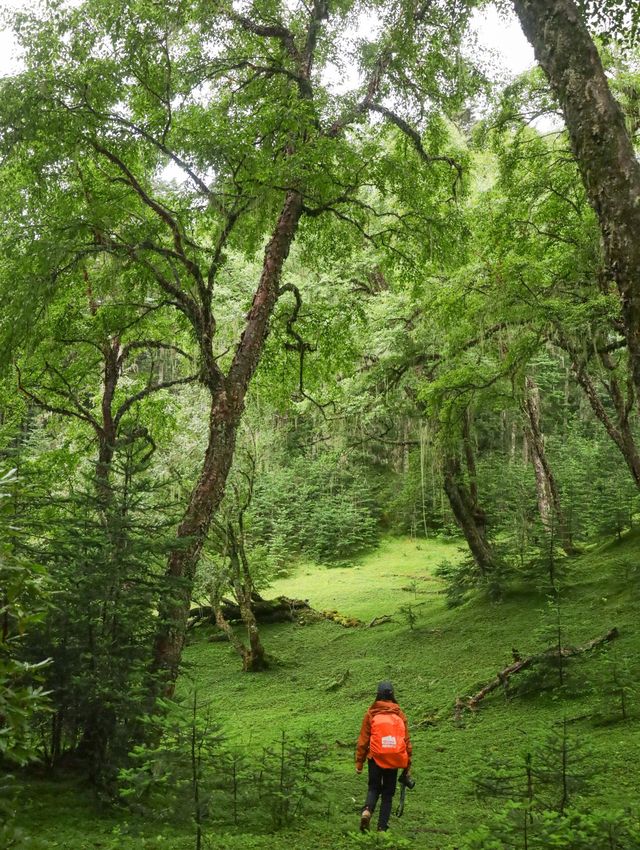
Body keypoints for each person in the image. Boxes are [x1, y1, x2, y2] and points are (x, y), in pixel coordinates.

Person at [355, 680, 412, 832]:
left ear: (378, 695)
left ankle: (367, 811)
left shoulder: (371, 713)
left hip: (374, 756)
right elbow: (406, 742)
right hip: (393, 758)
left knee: (373, 787)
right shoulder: (399, 714)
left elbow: (363, 741)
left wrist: (359, 763)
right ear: (393, 695)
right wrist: (407, 766)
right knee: (388, 794)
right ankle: (381, 829)